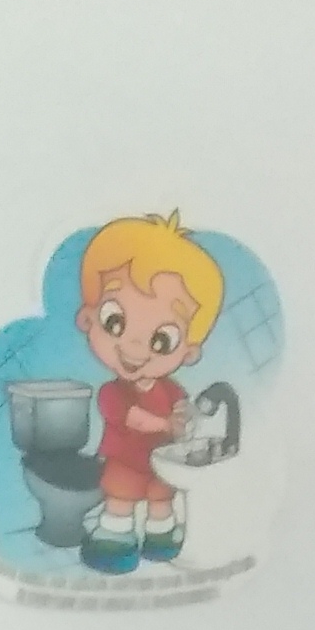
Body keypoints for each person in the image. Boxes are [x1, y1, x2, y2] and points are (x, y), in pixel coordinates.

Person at [71, 215, 225, 570]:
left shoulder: (171, 388)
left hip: (162, 463)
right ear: (87, 319)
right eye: (115, 322)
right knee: (120, 502)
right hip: (126, 462)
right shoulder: (113, 393)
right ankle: (114, 547)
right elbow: (134, 418)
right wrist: (167, 425)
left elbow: (182, 409)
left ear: (188, 352)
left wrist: (184, 418)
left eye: (161, 340)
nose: (136, 346)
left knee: (161, 501)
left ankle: (161, 541)